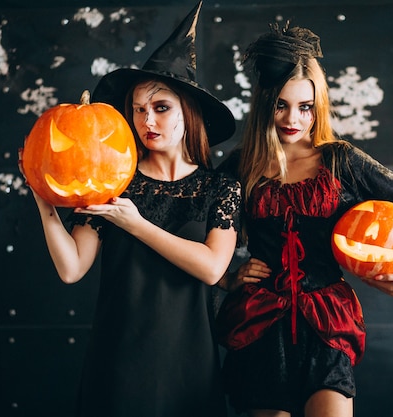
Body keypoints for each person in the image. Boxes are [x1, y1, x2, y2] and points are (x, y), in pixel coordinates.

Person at [215, 23, 393, 417]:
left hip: (327, 321)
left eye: (305, 106)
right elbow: (200, 232)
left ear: (318, 106)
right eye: (280, 104)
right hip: (259, 322)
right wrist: (229, 275)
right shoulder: (240, 166)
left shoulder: (341, 160)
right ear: (264, 104)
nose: (292, 118)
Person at [25, 2, 240, 416]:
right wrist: (44, 200)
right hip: (118, 359)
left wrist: (136, 224)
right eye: (138, 109)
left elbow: (213, 267)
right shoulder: (110, 181)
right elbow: (72, 269)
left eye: (161, 108)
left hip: (190, 362)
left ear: (187, 113)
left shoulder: (220, 187)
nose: (147, 120)